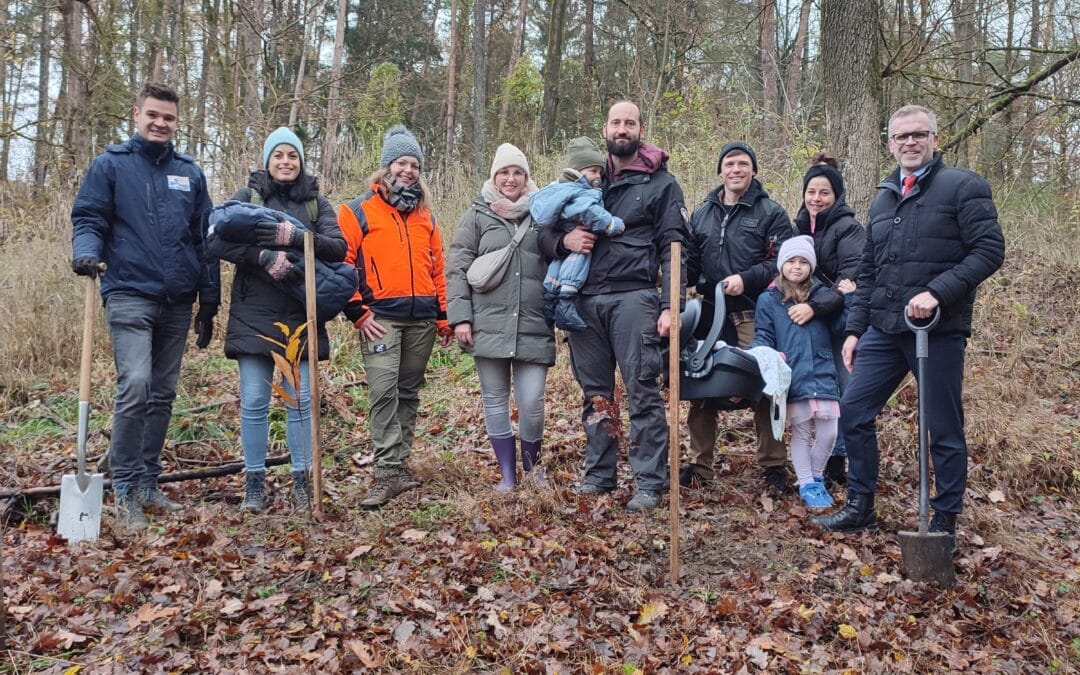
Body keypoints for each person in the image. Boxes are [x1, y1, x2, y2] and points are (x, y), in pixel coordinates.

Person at [814, 105, 1005, 539]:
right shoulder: (883, 197)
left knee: (943, 426)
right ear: (890, 144)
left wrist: (937, 292)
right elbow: (869, 270)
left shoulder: (963, 187)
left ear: (936, 139)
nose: (911, 142)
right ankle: (861, 505)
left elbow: (990, 250)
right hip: (884, 327)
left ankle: (943, 521)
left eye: (919, 134)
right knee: (855, 409)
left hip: (937, 329)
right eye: (902, 137)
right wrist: (855, 329)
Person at [71, 82, 220, 530]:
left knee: (163, 391)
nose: (160, 123)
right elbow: (89, 216)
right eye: (153, 115)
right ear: (137, 115)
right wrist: (85, 250)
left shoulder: (190, 173)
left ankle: (149, 483)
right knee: (135, 385)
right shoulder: (110, 166)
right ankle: (125, 489)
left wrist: (209, 300)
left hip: (178, 298)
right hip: (129, 292)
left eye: (169, 118)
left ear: (177, 123)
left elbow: (205, 239)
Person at [537, 101, 689, 513]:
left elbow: (674, 248)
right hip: (583, 301)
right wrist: (563, 243)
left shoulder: (660, 184)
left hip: (634, 298)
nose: (622, 129)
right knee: (596, 394)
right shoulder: (583, 177)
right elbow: (542, 234)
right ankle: (600, 474)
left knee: (642, 390)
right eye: (616, 122)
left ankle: (649, 482)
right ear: (605, 128)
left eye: (630, 123)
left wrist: (670, 305)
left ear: (641, 129)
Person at [207, 127, 347, 513]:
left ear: (301, 162)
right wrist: (262, 257)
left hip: (302, 311)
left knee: (300, 401)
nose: (286, 162)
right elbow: (214, 239)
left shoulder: (316, 202)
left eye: (293, 156)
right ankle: (254, 485)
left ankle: (302, 481)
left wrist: (297, 236)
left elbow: (338, 247)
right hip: (254, 311)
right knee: (253, 400)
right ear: (268, 161)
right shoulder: (247, 197)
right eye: (279, 156)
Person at [337, 125, 453, 510]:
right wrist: (357, 312)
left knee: (408, 392)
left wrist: (443, 317)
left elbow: (438, 270)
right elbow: (341, 265)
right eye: (401, 162)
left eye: (414, 164)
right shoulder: (357, 211)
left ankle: (399, 465)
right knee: (383, 392)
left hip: (421, 320)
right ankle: (386, 472)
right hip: (380, 318)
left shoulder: (427, 218)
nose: (408, 170)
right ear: (386, 166)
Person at [683, 142, 795, 491]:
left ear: (753, 170)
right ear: (720, 171)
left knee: (764, 382)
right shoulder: (701, 214)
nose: (736, 169)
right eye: (729, 164)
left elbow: (782, 263)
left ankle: (774, 466)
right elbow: (690, 263)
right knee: (699, 381)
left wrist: (745, 279)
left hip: (754, 311)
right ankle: (699, 467)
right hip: (709, 313)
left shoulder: (771, 212)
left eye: (743, 164)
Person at [446, 143, 555, 492]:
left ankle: (533, 468)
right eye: (504, 173)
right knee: (494, 399)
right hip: (487, 325)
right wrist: (460, 318)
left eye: (517, 173)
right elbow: (457, 268)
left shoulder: (543, 213)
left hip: (533, 325)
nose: (511, 179)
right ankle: (507, 476)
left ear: (527, 177)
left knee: (532, 401)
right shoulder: (476, 215)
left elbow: (559, 262)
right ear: (494, 176)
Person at [749, 236, 844, 509]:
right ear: (781, 265)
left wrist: (846, 299)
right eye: (791, 261)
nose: (797, 267)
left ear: (811, 266)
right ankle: (807, 484)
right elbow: (763, 335)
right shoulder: (768, 299)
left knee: (829, 433)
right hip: (793, 373)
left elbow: (841, 326)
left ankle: (815, 477)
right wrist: (760, 355)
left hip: (824, 370)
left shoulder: (824, 295)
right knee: (801, 433)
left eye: (804, 262)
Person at [792, 155, 866, 486]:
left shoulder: (848, 228)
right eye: (812, 191)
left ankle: (839, 458)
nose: (816, 199)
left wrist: (815, 306)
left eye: (824, 192)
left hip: (838, 323)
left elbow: (850, 279)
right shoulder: (796, 226)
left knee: (843, 387)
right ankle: (808, 459)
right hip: (807, 320)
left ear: (836, 196)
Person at [531, 136, 624, 332]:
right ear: (577, 171)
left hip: (567, 250)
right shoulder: (580, 190)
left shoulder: (556, 189)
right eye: (592, 171)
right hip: (579, 242)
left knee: (559, 267)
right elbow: (589, 211)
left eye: (600, 171)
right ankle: (565, 302)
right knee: (580, 258)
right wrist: (612, 224)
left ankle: (550, 301)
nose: (597, 176)